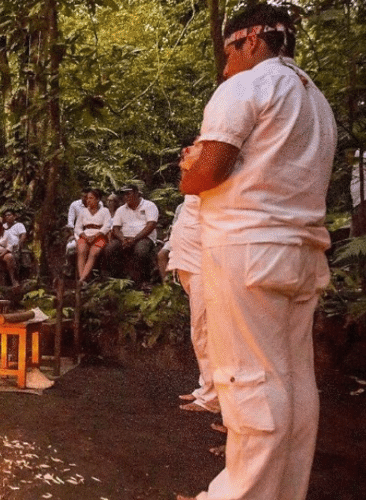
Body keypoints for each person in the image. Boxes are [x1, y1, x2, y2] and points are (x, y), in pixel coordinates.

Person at [176, 5, 336, 500]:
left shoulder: (246, 87)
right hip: (300, 252)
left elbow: (206, 172)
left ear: (250, 40)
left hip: (247, 251)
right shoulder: (316, 100)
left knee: (249, 383)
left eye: (229, 53)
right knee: (293, 381)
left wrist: (188, 167)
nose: (225, 67)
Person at [166, 197, 218, 414]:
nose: (182, 164)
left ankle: (213, 397)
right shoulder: (190, 194)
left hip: (203, 267)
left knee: (204, 331)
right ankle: (205, 387)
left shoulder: (211, 185)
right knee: (199, 331)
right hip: (187, 264)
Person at [106, 185, 159, 284]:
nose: (126, 197)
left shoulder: (149, 205)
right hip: (125, 238)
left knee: (141, 250)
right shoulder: (121, 210)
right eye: (124, 195)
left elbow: (151, 225)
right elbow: (116, 228)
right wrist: (123, 239)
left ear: (136, 194)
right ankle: (118, 280)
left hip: (144, 237)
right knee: (110, 248)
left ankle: (143, 281)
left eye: (128, 194)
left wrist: (134, 239)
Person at [74, 188, 113, 283]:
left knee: (93, 253)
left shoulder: (105, 211)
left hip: (99, 236)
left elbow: (107, 226)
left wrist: (96, 236)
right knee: (81, 250)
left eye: (91, 198)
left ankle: (82, 279)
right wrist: (84, 236)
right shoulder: (83, 211)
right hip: (85, 235)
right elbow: (77, 227)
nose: (88, 200)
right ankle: (82, 279)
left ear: (97, 199)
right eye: (87, 198)